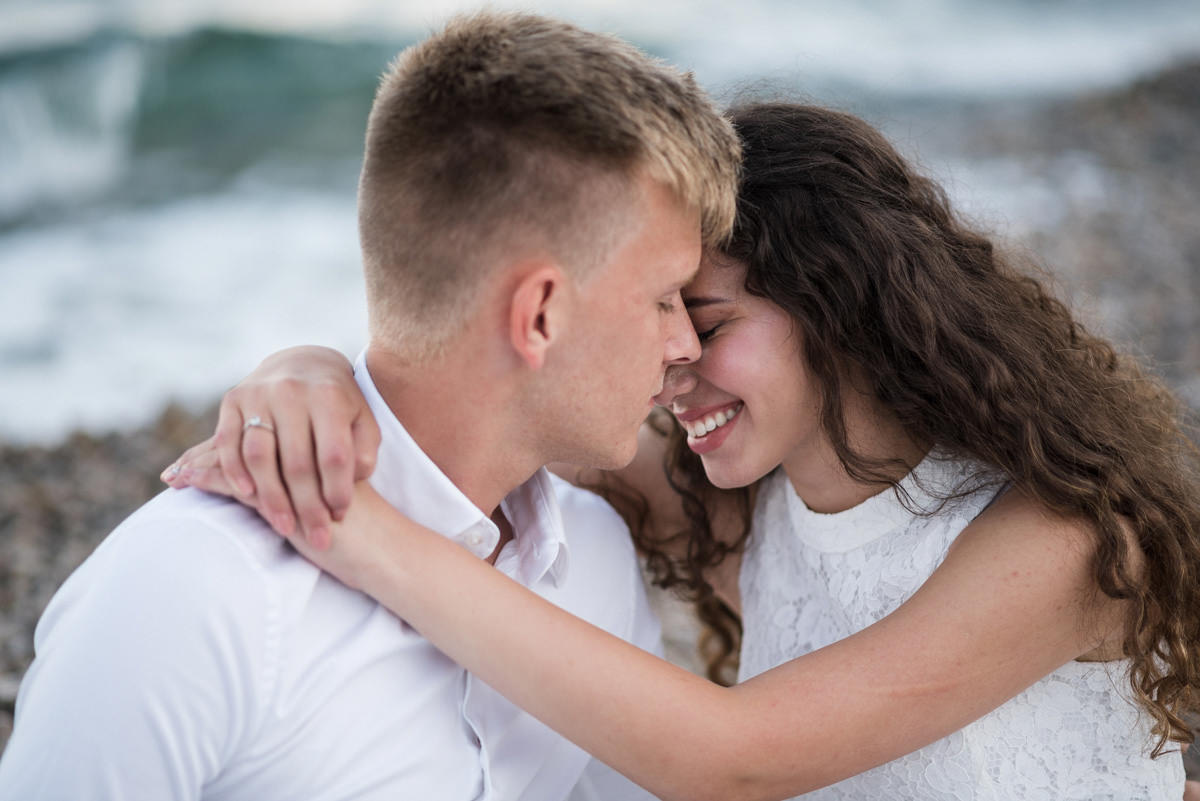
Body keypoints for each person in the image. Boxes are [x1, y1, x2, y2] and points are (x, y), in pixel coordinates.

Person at [166, 102, 1200, 800]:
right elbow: (473, 388)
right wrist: (302, 370)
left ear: (839, 304)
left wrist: (354, 532)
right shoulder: (738, 508)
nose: (670, 366)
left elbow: (732, 758)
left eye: (703, 323)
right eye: (658, 320)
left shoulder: (1059, 540)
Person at [0, 13, 743, 800]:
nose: (684, 346)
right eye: (663, 299)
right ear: (540, 317)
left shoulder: (595, 560)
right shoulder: (188, 591)